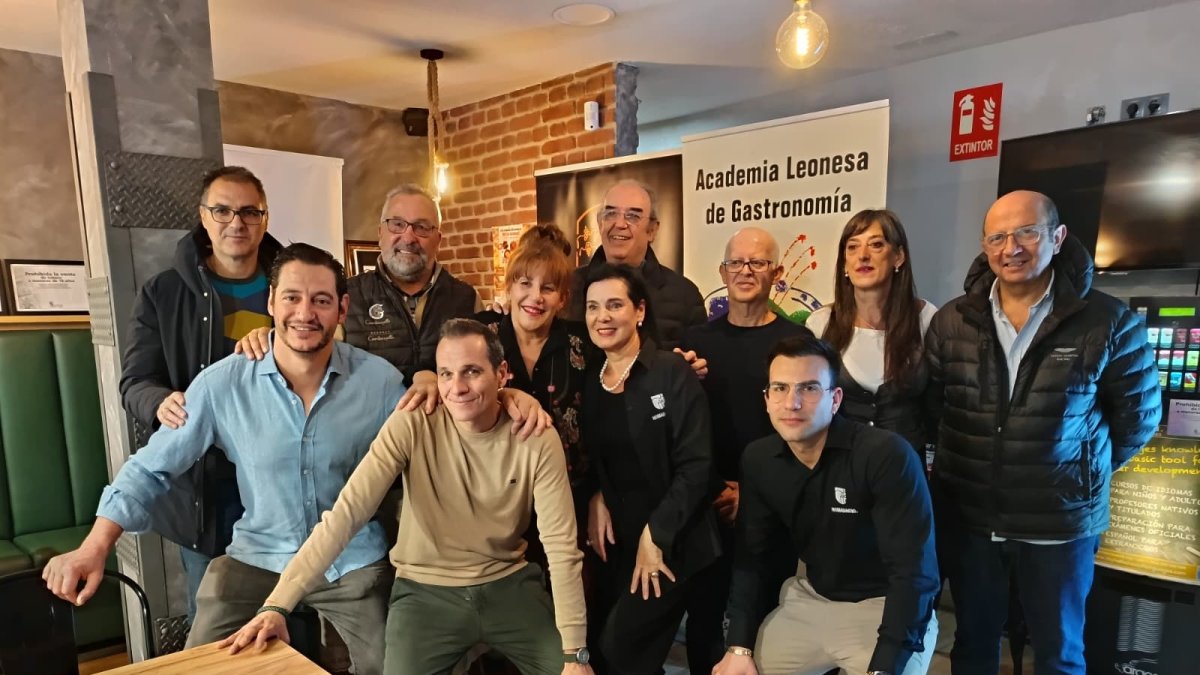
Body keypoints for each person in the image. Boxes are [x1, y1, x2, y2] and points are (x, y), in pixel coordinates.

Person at [47, 244, 404, 674]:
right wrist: (94, 546)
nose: (304, 312)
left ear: (342, 308)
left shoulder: (379, 382)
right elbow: (151, 466)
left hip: (351, 561)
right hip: (258, 556)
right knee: (200, 665)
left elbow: (432, 448)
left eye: (321, 300)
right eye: (291, 297)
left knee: (397, 665)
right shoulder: (222, 383)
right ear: (271, 301)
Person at [221, 319, 594, 675]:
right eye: (446, 373)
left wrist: (575, 653)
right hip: (425, 593)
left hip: (508, 585)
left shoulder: (535, 435)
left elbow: (561, 549)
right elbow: (346, 515)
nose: (457, 387)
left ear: (502, 373)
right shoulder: (414, 421)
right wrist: (278, 604)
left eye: (472, 371)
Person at [924, 190, 1160, 675]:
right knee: (973, 646)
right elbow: (933, 408)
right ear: (985, 246)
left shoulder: (1108, 321)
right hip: (970, 519)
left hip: (1059, 526)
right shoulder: (952, 321)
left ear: (1057, 237)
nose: (1011, 247)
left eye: (1026, 232)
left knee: (1058, 654)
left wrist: (1078, 472)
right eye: (997, 236)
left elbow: (1139, 417)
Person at [713, 334, 939, 675]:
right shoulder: (759, 459)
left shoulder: (884, 455)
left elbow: (914, 573)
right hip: (810, 599)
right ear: (766, 399)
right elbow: (751, 558)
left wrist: (886, 665)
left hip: (884, 605)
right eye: (780, 388)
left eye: (808, 388)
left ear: (835, 399)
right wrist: (738, 645)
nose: (792, 403)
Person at [118, 165, 282, 621]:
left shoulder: (293, 287)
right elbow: (134, 382)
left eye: (250, 211)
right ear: (204, 217)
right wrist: (159, 402)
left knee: (291, 622)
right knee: (216, 625)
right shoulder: (163, 293)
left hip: (282, 490)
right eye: (223, 210)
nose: (237, 222)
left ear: (265, 218)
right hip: (204, 494)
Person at [678, 227, 810, 674]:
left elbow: (807, 432)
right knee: (705, 623)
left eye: (757, 263)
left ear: (777, 272)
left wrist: (751, 495)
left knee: (768, 623)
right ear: (722, 271)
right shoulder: (694, 343)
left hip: (774, 509)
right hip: (707, 507)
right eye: (736, 262)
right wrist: (717, 490)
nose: (745, 271)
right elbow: (681, 434)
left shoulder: (798, 346)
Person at [582, 263, 722, 674]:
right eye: (592, 307)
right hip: (620, 541)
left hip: (675, 541)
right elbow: (598, 456)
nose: (602, 317)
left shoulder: (671, 371)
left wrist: (655, 533)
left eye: (614, 305)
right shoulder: (592, 379)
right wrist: (598, 495)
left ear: (639, 311)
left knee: (621, 648)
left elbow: (696, 466)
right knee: (604, 649)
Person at [242, 184, 481, 384]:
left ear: (438, 239)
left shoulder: (467, 299)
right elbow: (308, 351)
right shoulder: (347, 295)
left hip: (448, 436)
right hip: (369, 436)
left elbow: (488, 371)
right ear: (380, 232)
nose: (408, 238)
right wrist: (272, 340)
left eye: (422, 227)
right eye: (397, 224)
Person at [805, 209, 937, 459]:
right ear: (844, 263)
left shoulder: (928, 319)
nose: (862, 256)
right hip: (841, 469)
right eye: (852, 247)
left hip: (906, 469)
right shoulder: (820, 324)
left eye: (876, 245)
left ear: (898, 257)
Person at [567, 179, 706, 349]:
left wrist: (685, 367)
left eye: (633, 216)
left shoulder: (685, 295)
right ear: (599, 223)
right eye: (610, 214)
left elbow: (700, 361)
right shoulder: (569, 287)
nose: (620, 224)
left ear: (652, 230)